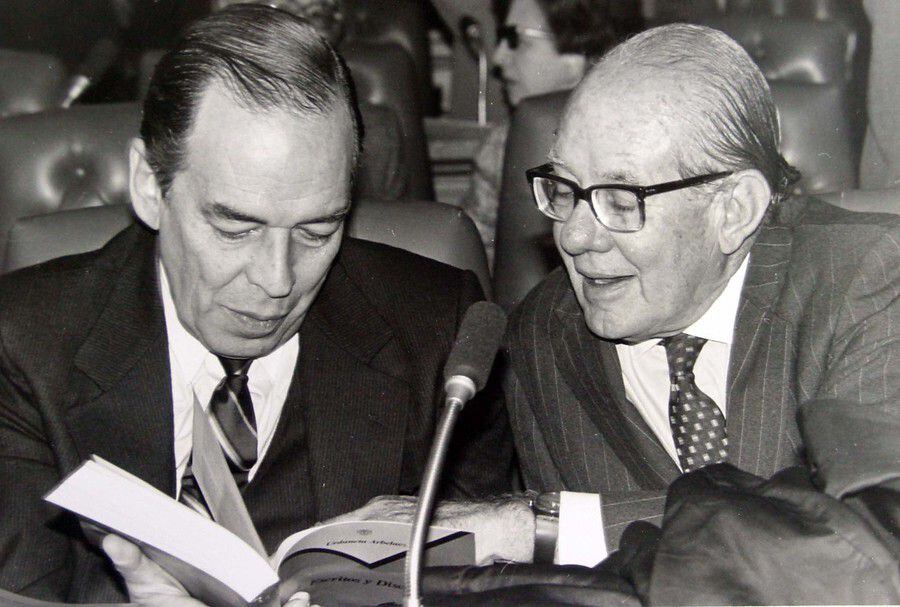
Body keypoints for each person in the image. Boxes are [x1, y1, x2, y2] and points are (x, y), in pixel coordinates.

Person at [346, 23, 900, 603]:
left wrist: (544, 527)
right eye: (564, 188)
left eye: (620, 199)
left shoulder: (870, 280)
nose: (576, 237)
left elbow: (863, 549)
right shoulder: (542, 335)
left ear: (734, 210)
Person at [0, 5, 513, 603]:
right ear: (149, 187)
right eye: (235, 229)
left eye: (317, 232)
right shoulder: (22, 344)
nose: (277, 280)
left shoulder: (444, 338)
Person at [460, 0, 641, 266]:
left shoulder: (640, 144)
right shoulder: (502, 144)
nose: (499, 57)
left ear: (576, 55)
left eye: (515, 39)